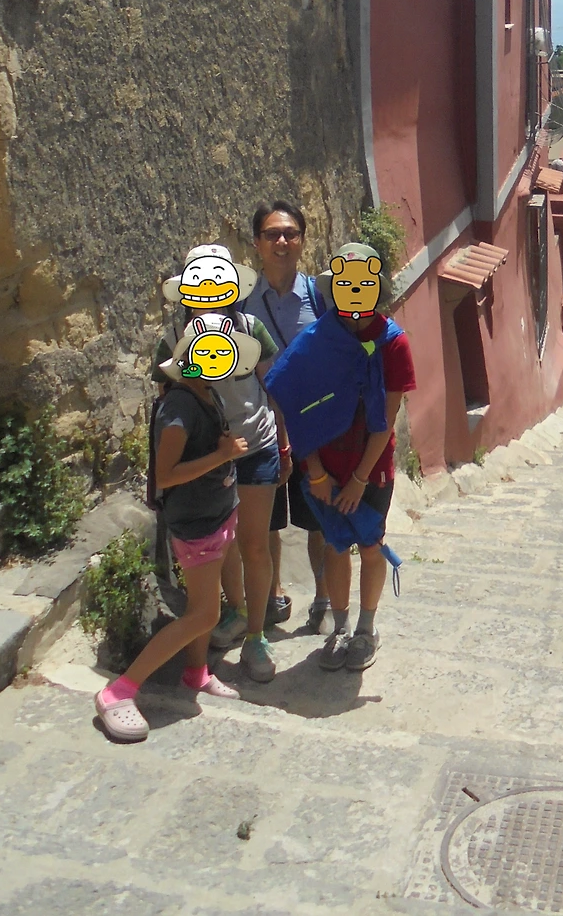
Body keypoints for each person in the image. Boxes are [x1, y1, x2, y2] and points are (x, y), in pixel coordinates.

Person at [96, 317, 249, 742]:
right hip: (197, 523)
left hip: (217, 513)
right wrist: (222, 457)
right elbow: (167, 474)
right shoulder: (180, 407)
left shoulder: (206, 391)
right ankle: (118, 691)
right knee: (205, 614)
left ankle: (195, 672)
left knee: (203, 603)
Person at [153, 243, 285, 684]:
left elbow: (273, 387)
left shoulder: (250, 329)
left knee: (254, 544)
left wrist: (285, 444)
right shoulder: (173, 339)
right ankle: (236, 611)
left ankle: (256, 637)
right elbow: (168, 399)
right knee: (223, 542)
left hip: (256, 447)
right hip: (208, 457)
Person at [296, 240, 416, 672]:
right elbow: (299, 407)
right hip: (325, 468)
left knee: (369, 545)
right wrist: (315, 472)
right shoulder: (317, 341)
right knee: (334, 545)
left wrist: (360, 480)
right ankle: (341, 628)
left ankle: (366, 630)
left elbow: (386, 418)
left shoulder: (392, 343)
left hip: (371, 470)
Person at [244, 200, 330, 630]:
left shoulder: (320, 297)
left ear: (302, 240)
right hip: (261, 428)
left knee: (319, 520)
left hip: (312, 428)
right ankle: (274, 594)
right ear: (257, 243)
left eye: (290, 233)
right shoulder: (240, 303)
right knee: (267, 522)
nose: (282, 241)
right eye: (272, 234)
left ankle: (324, 599)